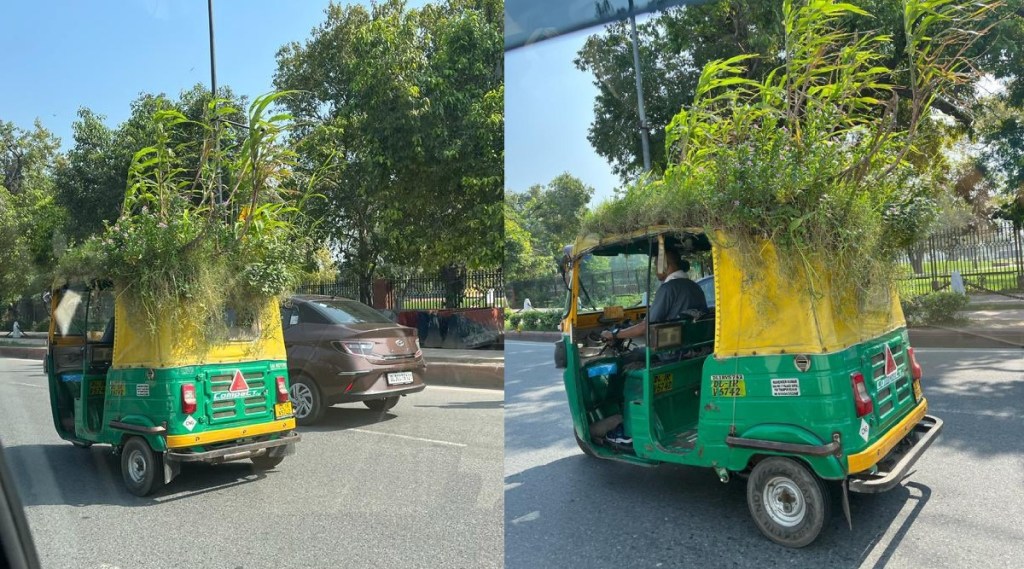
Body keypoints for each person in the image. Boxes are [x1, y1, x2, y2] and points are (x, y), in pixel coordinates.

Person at [598, 247, 707, 448]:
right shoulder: (695, 287)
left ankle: (626, 427)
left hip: (671, 354)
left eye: (657, 264)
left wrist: (614, 334)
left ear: (665, 265)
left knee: (624, 361)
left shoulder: (668, 288)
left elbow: (645, 327)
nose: (656, 271)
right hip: (694, 352)